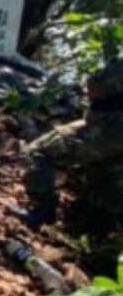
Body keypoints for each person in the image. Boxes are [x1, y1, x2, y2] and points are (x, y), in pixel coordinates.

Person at [10, 57, 123, 228]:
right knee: (107, 176)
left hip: (109, 129)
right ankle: (101, 230)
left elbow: (97, 86)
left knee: (35, 152)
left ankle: (42, 211)